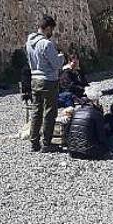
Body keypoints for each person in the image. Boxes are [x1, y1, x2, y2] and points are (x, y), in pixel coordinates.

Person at [26, 15, 66, 153]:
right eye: (52, 30)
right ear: (47, 28)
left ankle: (34, 143)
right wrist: (61, 57)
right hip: (48, 80)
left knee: (36, 111)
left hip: (35, 79)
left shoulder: (29, 42)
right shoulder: (46, 44)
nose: (52, 33)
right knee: (50, 111)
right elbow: (56, 64)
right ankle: (47, 143)